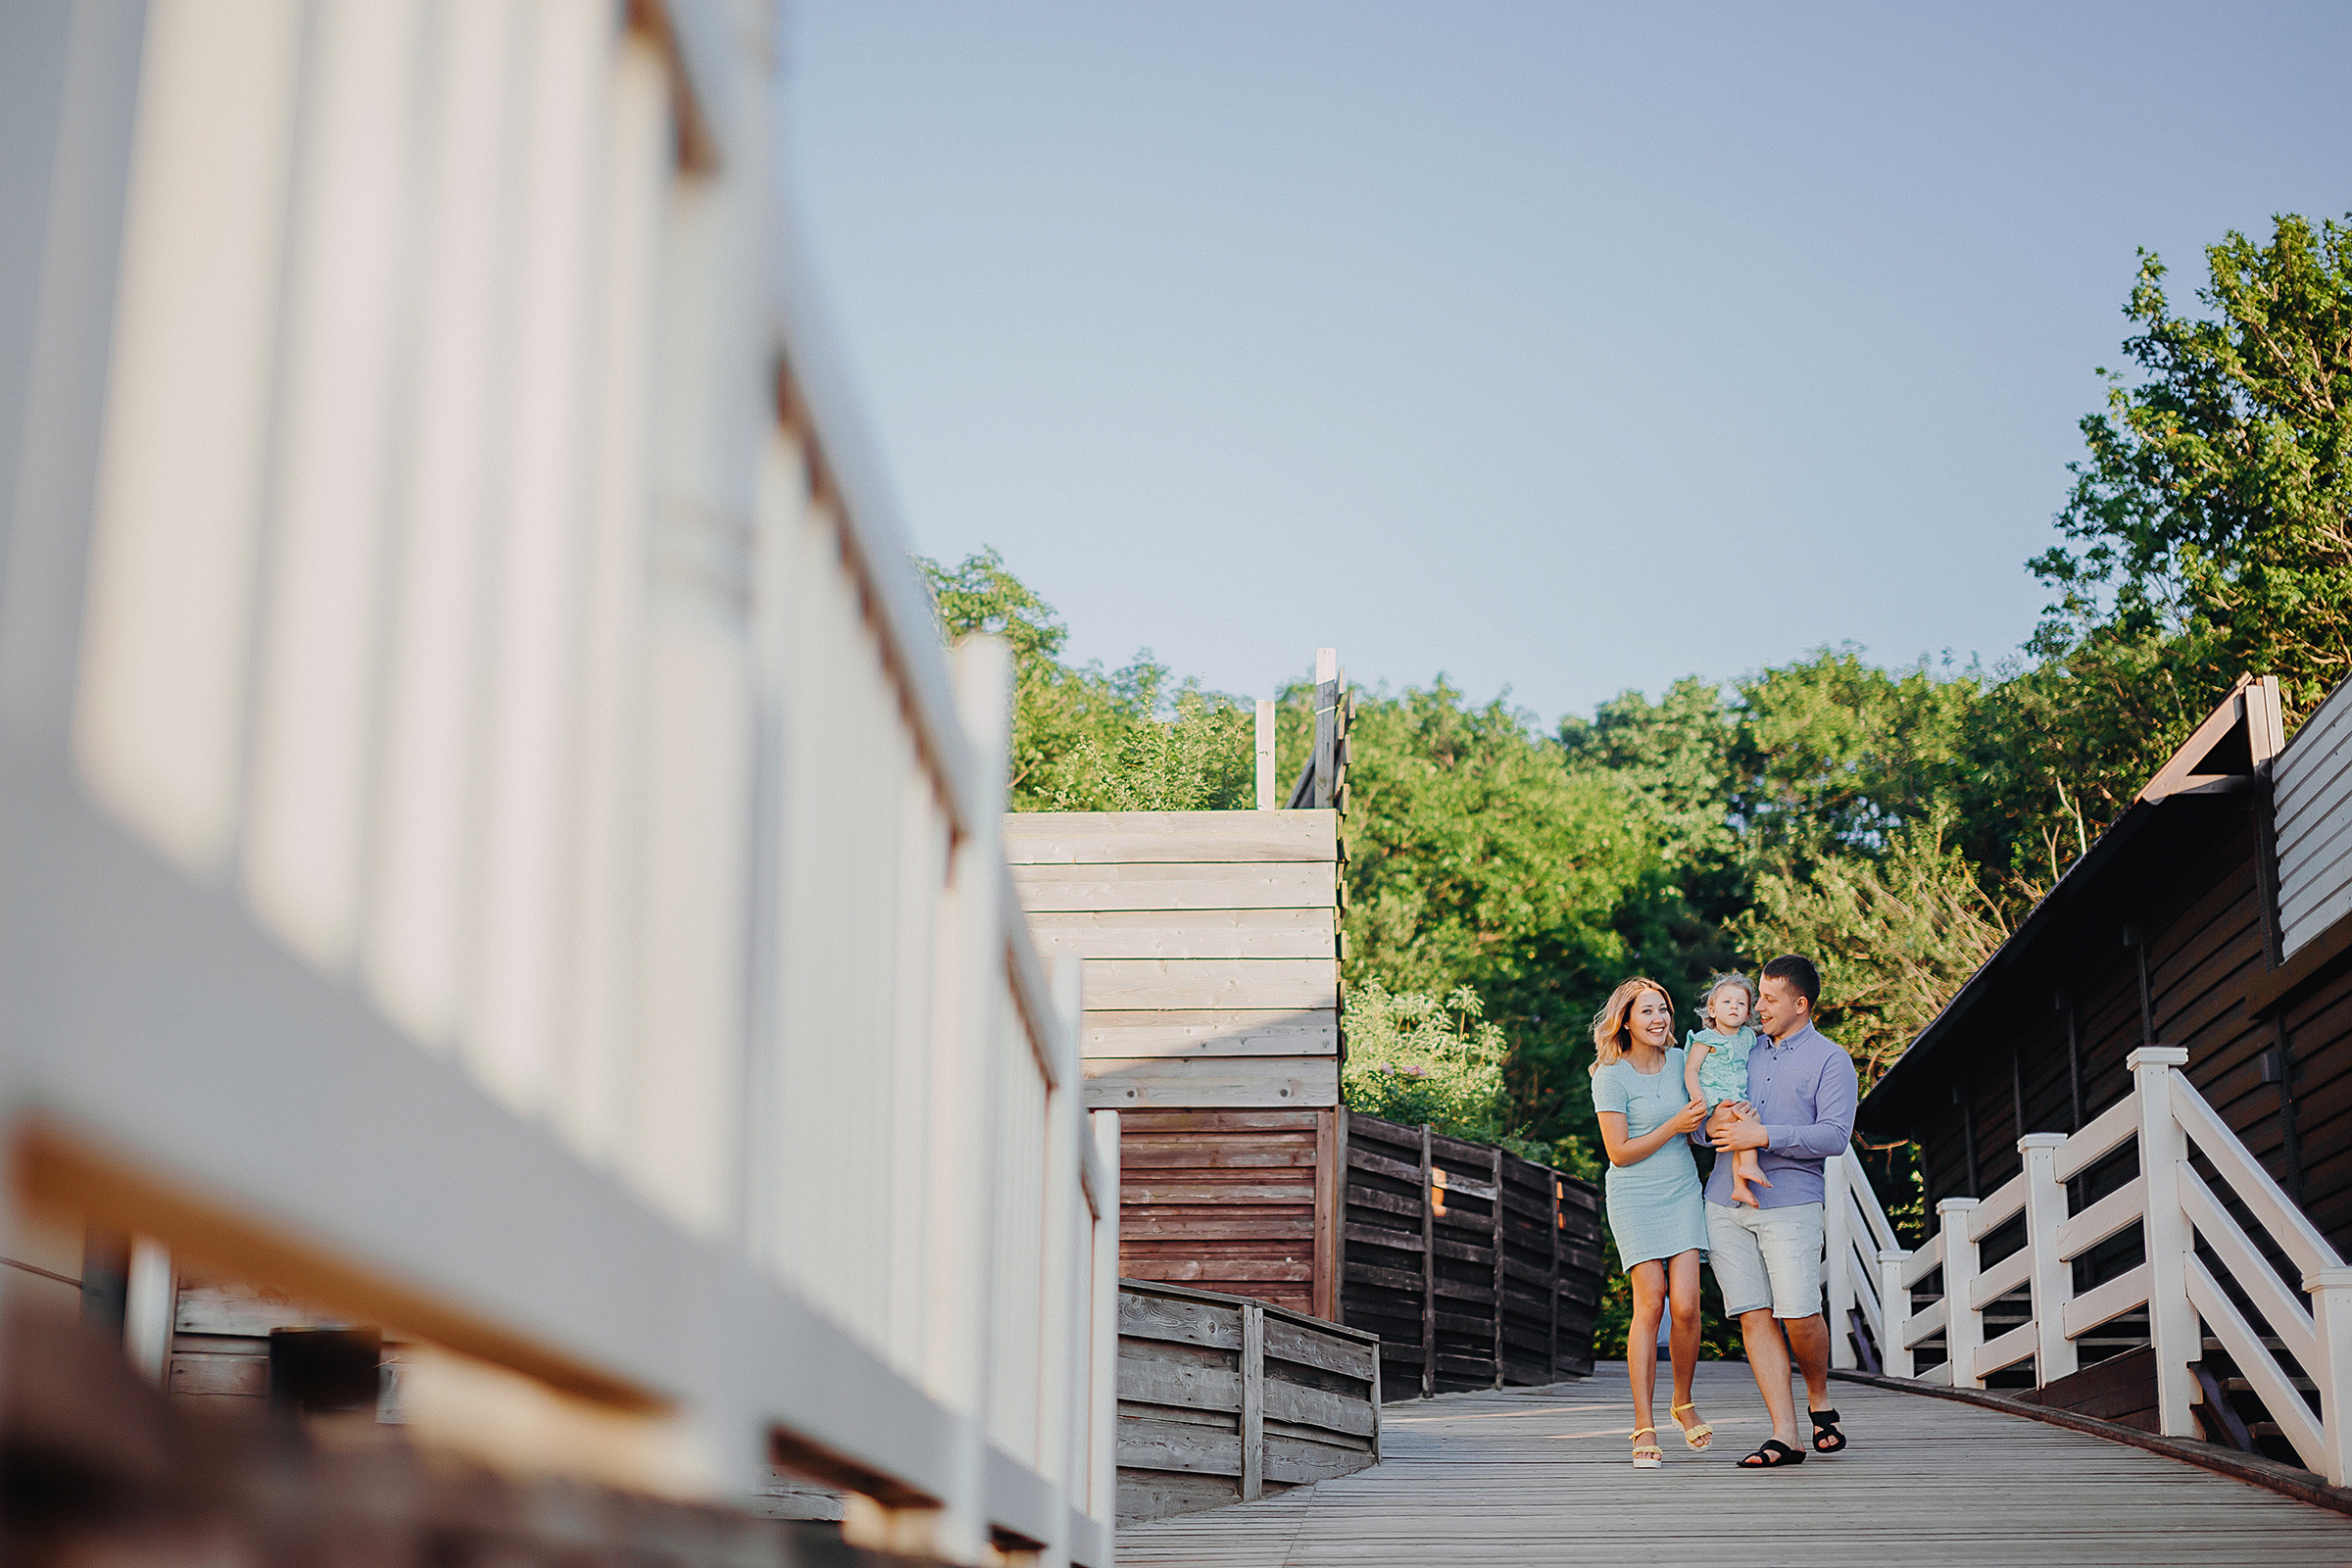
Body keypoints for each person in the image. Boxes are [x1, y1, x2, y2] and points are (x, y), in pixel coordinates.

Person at [1698, 953, 1859, 1469]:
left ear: (1800, 1003)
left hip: (1790, 1200)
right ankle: (1785, 1434)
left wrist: (1764, 1134)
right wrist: (1715, 1125)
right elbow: (1704, 1119)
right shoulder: (1738, 1048)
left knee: (1798, 1312)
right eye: (1757, 997)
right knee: (1752, 1312)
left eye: (1768, 999)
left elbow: (1834, 1135)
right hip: (1723, 1200)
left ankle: (1819, 1397)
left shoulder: (1832, 1060)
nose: (1757, 1007)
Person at [1589, 977, 1714, 1470]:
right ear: (1626, 1020)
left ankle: (1682, 1401)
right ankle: (1644, 1423)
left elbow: (1717, 1086)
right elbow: (1619, 1154)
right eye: (1647, 1012)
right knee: (1652, 1301)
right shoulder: (1610, 1075)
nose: (1659, 1019)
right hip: (1634, 1195)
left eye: (1663, 1009)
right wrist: (1673, 1126)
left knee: (1686, 1305)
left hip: (1682, 1190)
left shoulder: (1684, 1060)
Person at [1685, 973, 1771, 1207]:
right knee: (1746, 1124)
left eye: (1741, 1004)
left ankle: (1740, 1186)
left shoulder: (1748, 1037)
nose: (1734, 1007)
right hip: (1714, 1098)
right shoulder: (1706, 1039)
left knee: (1749, 1125)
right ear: (1712, 1010)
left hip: (1736, 1098)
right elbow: (1691, 1069)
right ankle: (1749, 1167)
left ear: (1748, 1014)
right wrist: (1698, 1098)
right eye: (1726, 1002)